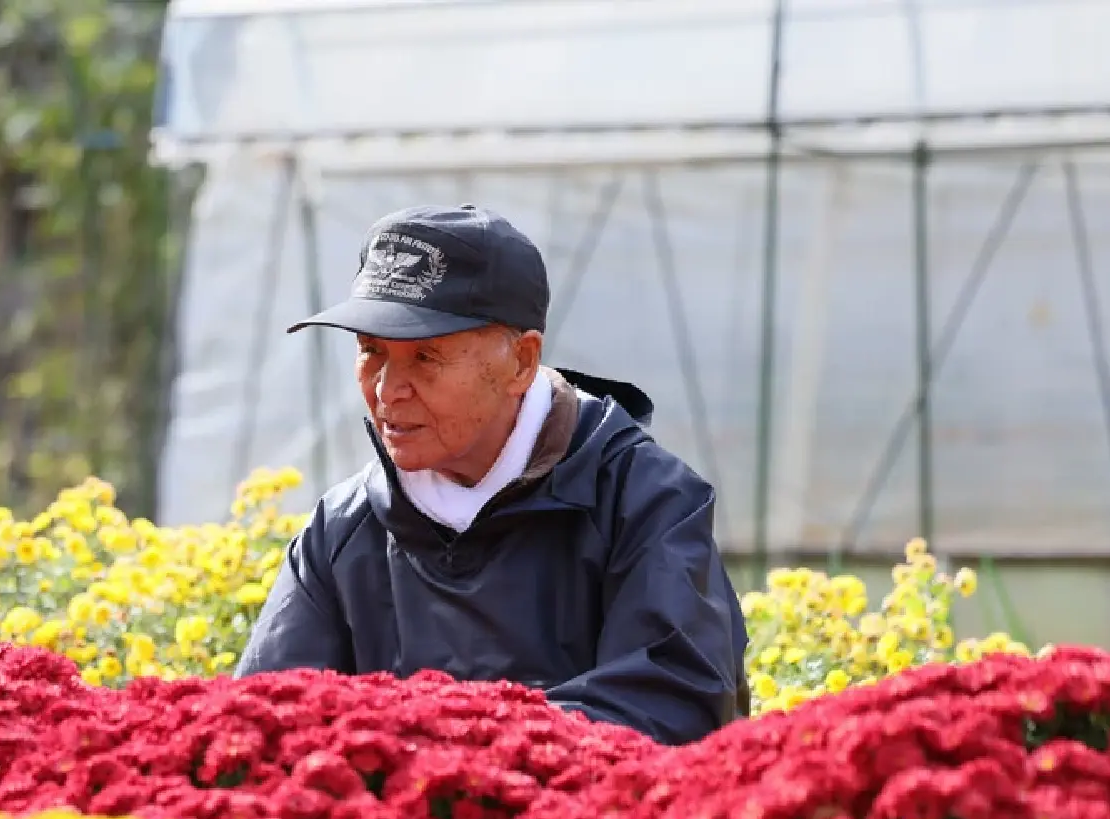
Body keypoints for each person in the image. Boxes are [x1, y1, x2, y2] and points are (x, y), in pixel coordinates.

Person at [233, 203, 750, 746]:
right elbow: (259, 723)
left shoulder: (645, 501)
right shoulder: (341, 529)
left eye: (426, 358)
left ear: (521, 362)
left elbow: (675, 704)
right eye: (371, 351)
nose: (387, 390)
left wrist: (440, 747)